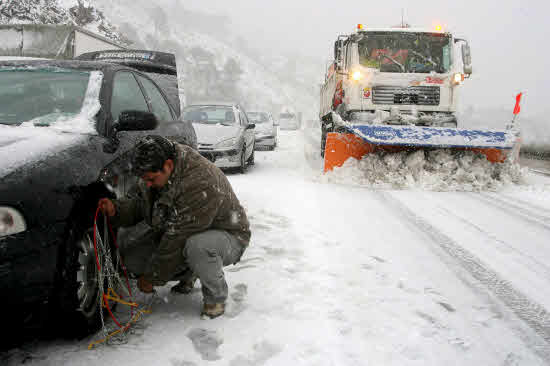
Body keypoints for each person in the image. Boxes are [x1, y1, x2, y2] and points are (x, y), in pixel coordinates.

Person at [98, 135, 251, 318]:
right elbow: (139, 202)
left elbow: (177, 239)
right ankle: (189, 272)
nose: (147, 184)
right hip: (189, 230)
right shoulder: (154, 167)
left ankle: (215, 299)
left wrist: (153, 277)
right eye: (144, 180)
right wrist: (116, 209)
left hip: (229, 235)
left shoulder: (199, 182)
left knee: (197, 247)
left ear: (168, 165)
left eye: (151, 180)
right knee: (132, 260)